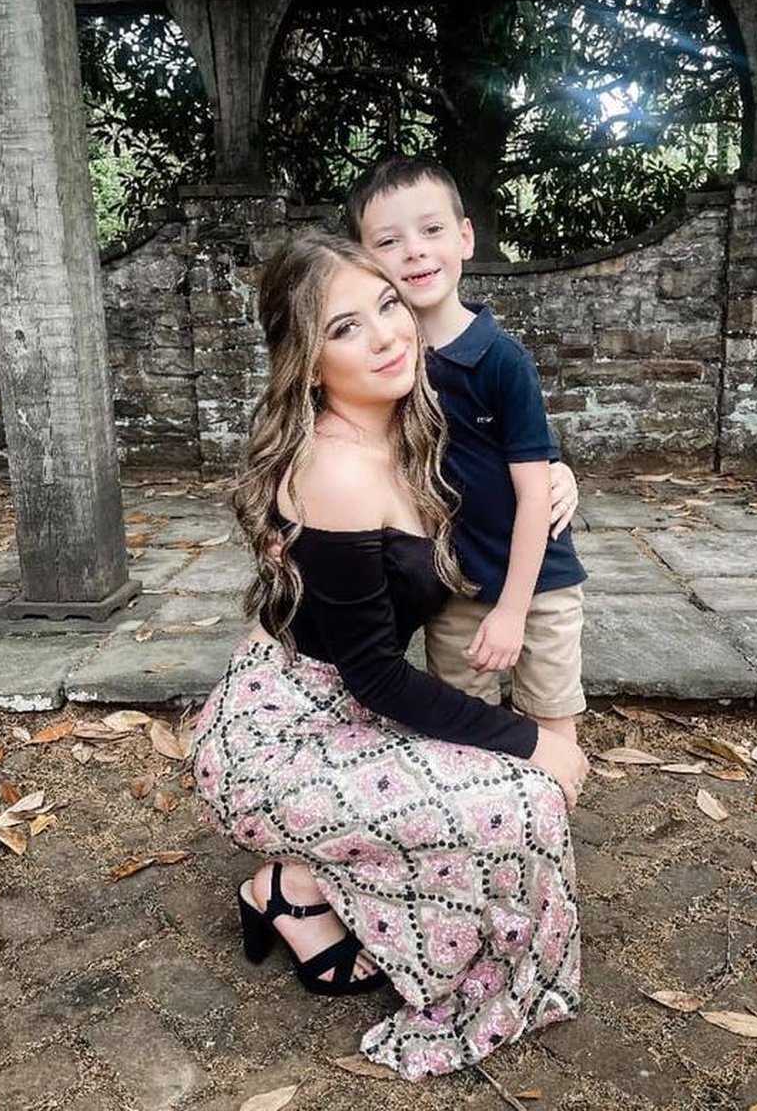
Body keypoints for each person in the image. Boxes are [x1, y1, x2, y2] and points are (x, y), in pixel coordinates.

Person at [192, 232, 588, 1081]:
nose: (384, 335)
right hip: (282, 738)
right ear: (306, 363)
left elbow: (513, 469)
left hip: (349, 713)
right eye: (344, 327)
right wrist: (531, 741)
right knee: (523, 798)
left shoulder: (414, 414)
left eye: (386, 305)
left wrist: (556, 479)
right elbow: (374, 673)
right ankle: (283, 887)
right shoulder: (336, 468)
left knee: (515, 791)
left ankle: (296, 884)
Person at [347, 155, 588, 754]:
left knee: (550, 727)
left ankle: (550, 844)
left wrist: (511, 611)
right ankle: (484, 844)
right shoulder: (382, 366)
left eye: (431, 231)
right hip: (453, 587)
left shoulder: (502, 360)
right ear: (364, 261)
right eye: (388, 241)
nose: (414, 252)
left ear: (464, 236)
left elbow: (535, 491)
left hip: (539, 582)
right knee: (464, 734)